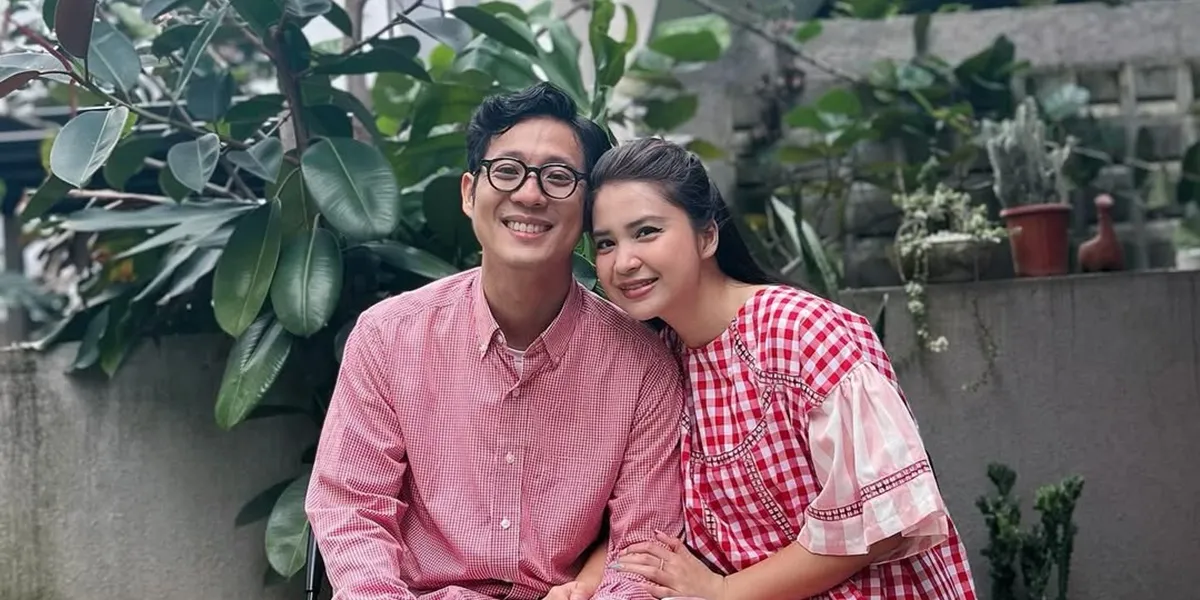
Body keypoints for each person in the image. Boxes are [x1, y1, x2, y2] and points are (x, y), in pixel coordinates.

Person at [304, 83, 686, 600]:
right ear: (468, 193)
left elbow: (641, 551)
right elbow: (352, 510)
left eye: (557, 177)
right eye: (506, 170)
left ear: (587, 209)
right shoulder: (388, 339)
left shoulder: (643, 369)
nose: (529, 194)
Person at [583, 137, 978, 599]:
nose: (624, 261)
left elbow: (883, 521)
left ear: (707, 235)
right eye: (606, 243)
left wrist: (725, 591)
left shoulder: (798, 329)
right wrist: (587, 581)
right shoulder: (660, 361)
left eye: (646, 231)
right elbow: (640, 514)